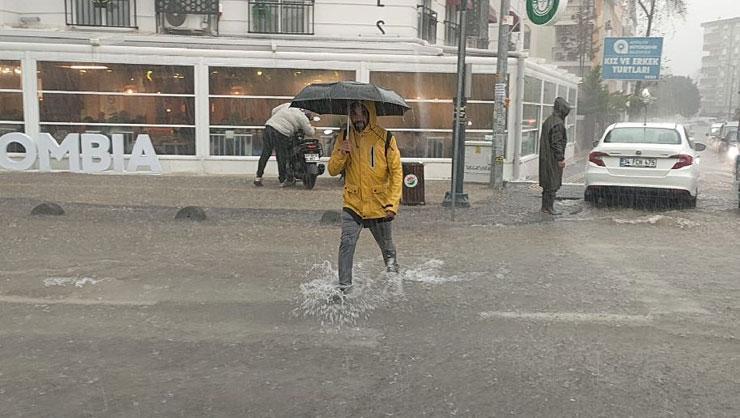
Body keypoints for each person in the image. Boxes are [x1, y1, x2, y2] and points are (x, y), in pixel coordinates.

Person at [328, 101, 403, 294]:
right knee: (346, 244)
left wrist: (392, 204)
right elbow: (332, 170)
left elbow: (396, 173)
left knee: (387, 247)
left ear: (370, 114)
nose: (358, 118)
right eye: (354, 114)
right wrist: (342, 153)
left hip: (380, 205)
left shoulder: (385, 137)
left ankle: (394, 279)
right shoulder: (344, 136)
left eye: (362, 113)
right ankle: (344, 287)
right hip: (353, 203)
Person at [255, 103, 316, 187]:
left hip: (269, 127)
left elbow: (274, 110)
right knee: (281, 156)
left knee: (265, 153)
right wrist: (313, 128)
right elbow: (310, 132)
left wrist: (277, 119)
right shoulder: (302, 117)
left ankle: (258, 177)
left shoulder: (288, 105)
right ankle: (282, 180)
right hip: (281, 133)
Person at [539, 97, 571, 215]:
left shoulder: (549, 120)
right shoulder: (558, 123)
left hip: (546, 157)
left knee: (547, 184)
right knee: (552, 183)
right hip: (552, 159)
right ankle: (549, 207)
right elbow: (556, 142)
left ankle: (545, 207)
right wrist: (560, 158)